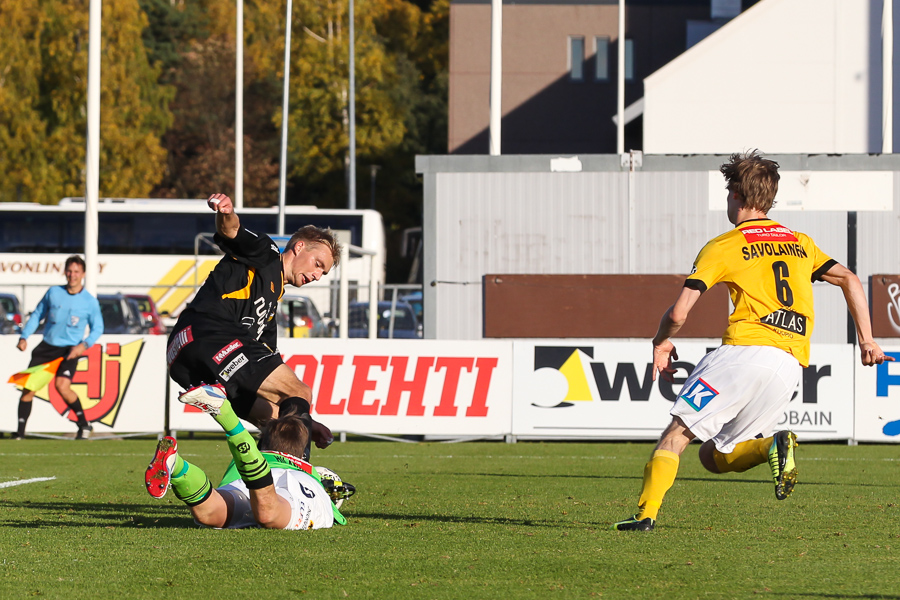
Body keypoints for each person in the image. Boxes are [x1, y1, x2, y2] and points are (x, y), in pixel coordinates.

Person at [613, 150, 895, 532]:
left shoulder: (725, 245)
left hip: (743, 353)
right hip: (788, 367)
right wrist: (867, 340)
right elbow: (848, 278)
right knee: (714, 456)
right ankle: (771, 445)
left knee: (677, 434)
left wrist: (661, 342)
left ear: (737, 197)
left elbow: (679, 314)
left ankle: (644, 516)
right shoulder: (800, 243)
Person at [166, 193, 341, 456]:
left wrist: (306, 423)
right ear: (299, 247)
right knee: (299, 390)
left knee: (274, 419)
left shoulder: (269, 308)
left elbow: (270, 368)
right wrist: (225, 212)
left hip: (184, 355)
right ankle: (298, 470)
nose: (317, 275)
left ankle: (264, 482)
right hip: (208, 331)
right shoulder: (267, 253)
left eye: (323, 273)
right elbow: (232, 231)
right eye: (318, 264)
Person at [145, 393, 354, 530]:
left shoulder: (245, 463)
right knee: (269, 514)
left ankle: (178, 467)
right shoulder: (313, 479)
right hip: (289, 480)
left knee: (211, 513)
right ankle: (229, 419)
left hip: (253, 473)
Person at [14, 255, 104, 439]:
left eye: (76, 272)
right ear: (65, 272)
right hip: (47, 348)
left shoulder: (89, 301)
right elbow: (37, 314)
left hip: (69, 350)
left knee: (62, 386)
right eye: (69, 271)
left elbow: (98, 328)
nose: (72, 275)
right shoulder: (53, 292)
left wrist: (83, 345)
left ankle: (84, 425)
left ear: (83, 274)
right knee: (29, 389)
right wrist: (24, 337)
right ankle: (19, 434)